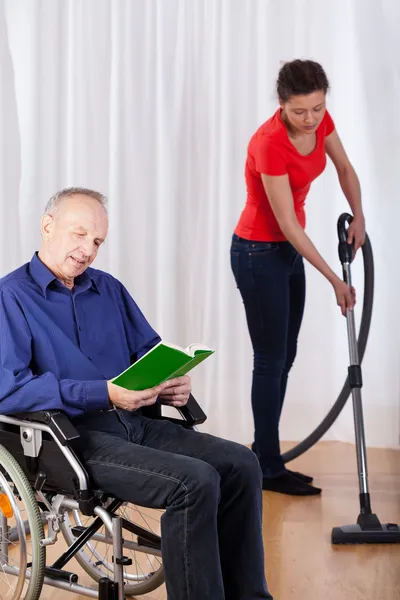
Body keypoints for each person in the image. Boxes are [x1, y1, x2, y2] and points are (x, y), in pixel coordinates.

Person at [0, 187, 273, 600]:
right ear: (47, 226)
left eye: (96, 242)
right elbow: (10, 389)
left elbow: (149, 351)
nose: (87, 250)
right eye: (79, 235)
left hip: (136, 421)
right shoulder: (11, 296)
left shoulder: (108, 289)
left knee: (242, 464)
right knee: (193, 483)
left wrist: (171, 379)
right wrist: (103, 394)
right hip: (73, 441)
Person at [230, 59, 365, 496]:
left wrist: (359, 215)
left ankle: (265, 456)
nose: (311, 120)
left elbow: (344, 168)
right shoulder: (269, 142)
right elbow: (286, 223)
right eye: (300, 112)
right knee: (269, 360)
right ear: (282, 103)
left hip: (288, 252)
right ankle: (266, 466)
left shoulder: (322, 122)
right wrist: (334, 279)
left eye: (318, 109)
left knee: (283, 356)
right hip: (257, 252)